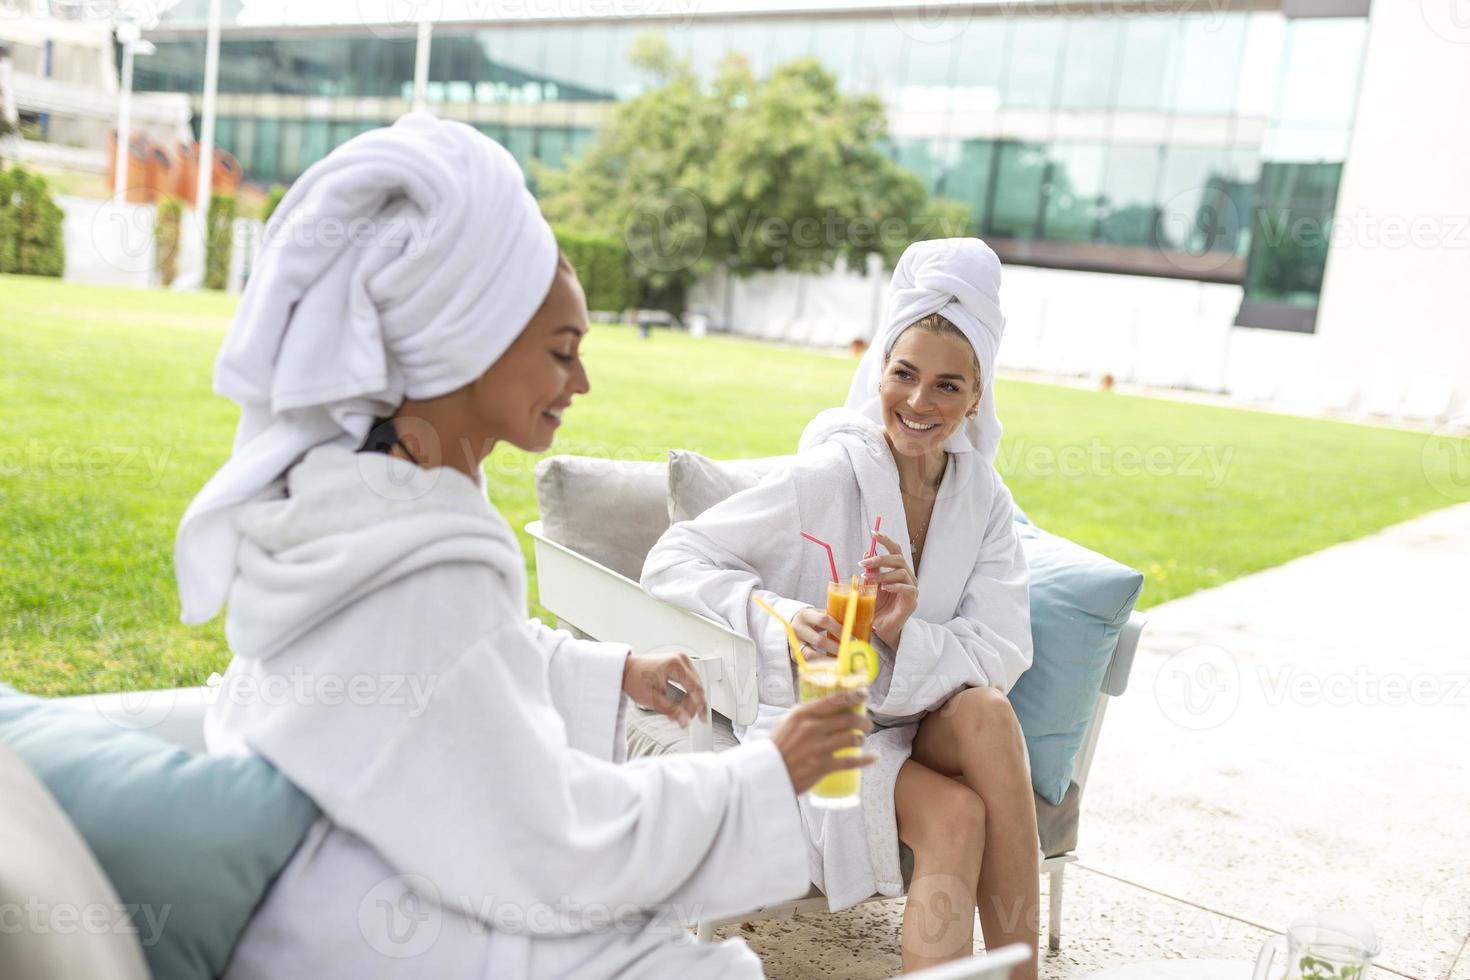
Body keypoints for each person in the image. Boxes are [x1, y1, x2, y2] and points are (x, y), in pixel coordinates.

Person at [174, 113, 872, 980]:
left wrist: (611, 669)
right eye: (562, 351)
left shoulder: (356, 497)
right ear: (469, 344)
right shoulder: (421, 560)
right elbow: (553, 841)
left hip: (337, 880)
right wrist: (768, 770)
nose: (581, 382)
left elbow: (448, 668)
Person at [641, 238, 1039, 975]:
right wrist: (782, 615)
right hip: (841, 723)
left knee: (987, 710)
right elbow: (674, 558)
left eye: (948, 387)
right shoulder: (827, 476)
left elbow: (1004, 648)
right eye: (905, 374)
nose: (920, 403)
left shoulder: (983, 500)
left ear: (977, 397)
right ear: (878, 370)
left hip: (929, 719)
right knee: (958, 813)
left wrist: (903, 631)